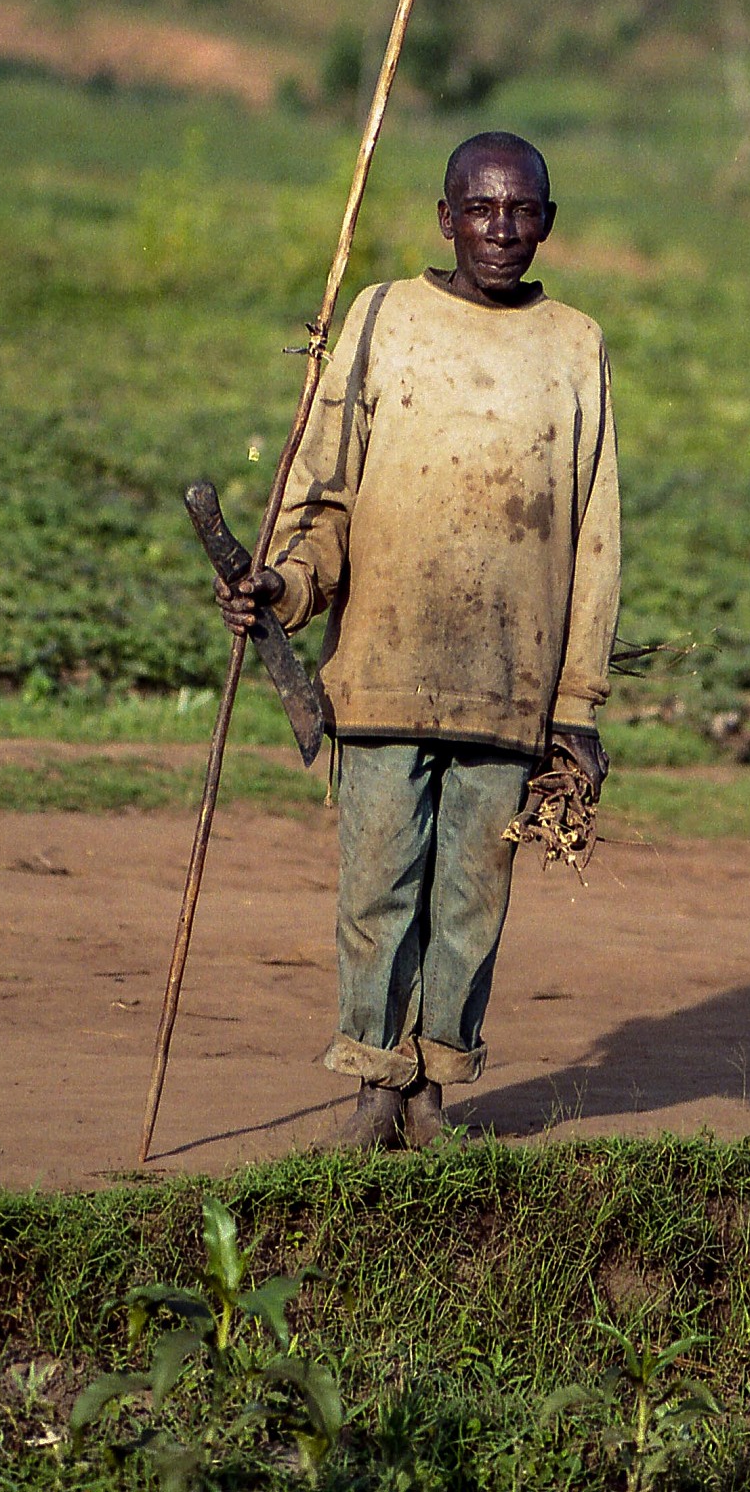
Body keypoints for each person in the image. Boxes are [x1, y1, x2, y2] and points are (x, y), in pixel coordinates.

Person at [216, 130, 619, 1150]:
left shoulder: (575, 343)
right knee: (376, 889)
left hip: (508, 680)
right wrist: (284, 584)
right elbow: (323, 496)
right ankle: (370, 1084)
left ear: (547, 222)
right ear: (445, 217)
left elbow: (594, 534)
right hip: (385, 668)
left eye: (521, 209)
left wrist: (577, 704)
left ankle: (435, 1088)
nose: (501, 228)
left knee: (472, 900)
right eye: (480, 208)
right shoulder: (382, 317)